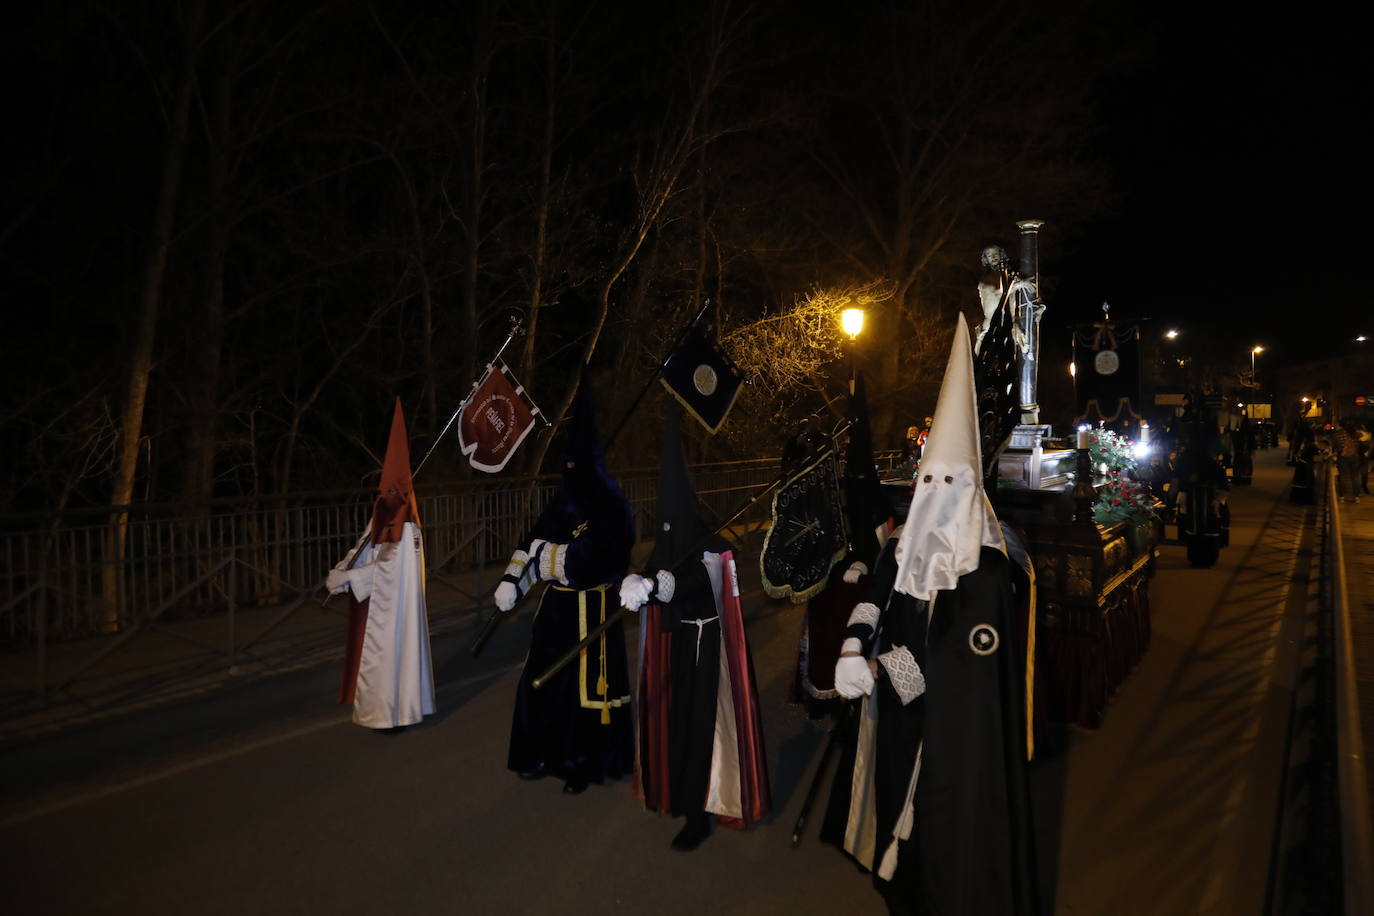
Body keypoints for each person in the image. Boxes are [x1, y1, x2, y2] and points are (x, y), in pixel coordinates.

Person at [831, 315, 1039, 916]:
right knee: (896, 819)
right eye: (930, 479)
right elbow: (877, 593)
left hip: (957, 740)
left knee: (948, 841)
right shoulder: (900, 544)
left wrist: (889, 667)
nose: (938, 490)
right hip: (900, 713)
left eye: (953, 481)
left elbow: (965, 669)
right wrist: (852, 644)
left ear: (972, 489)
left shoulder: (992, 573)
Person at [619, 401, 770, 850]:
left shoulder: (710, 543)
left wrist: (660, 584)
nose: (667, 528)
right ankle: (679, 794)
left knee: (703, 729)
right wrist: (635, 579)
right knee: (674, 724)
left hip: (707, 649)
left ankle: (702, 812)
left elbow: (700, 578)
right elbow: (654, 568)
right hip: (675, 645)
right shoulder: (669, 539)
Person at [496, 381, 635, 794]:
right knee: (539, 681)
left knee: (582, 693)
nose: (571, 472)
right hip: (556, 614)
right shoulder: (564, 501)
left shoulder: (612, 504)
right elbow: (532, 540)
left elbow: (594, 561)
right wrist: (512, 580)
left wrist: (545, 558)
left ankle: (582, 762)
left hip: (592, 611)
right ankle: (538, 751)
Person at [326, 398, 436, 730]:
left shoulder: (407, 525)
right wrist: (343, 569)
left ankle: (392, 714)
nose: (384, 493)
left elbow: (388, 568)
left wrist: (350, 579)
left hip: (390, 606)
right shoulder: (386, 513)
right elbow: (365, 543)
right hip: (379, 601)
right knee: (383, 656)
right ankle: (392, 710)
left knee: (386, 656)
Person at [1332, 420, 1364, 503]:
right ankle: (1356, 497)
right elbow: (1361, 445)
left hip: (1343, 457)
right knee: (1355, 477)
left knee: (1343, 476)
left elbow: (1335, 446)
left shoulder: (1337, 435)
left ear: (1341, 426)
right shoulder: (1356, 434)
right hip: (1355, 457)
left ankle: (1342, 496)